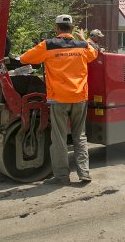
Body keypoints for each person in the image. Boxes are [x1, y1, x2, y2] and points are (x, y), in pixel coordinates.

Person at [20, 14, 98, 184]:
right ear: (72, 28)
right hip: (79, 98)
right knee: (80, 137)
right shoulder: (84, 46)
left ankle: (62, 176)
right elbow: (94, 55)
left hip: (59, 99)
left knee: (59, 139)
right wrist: (84, 38)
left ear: (57, 28)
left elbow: (25, 59)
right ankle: (84, 173)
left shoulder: (48, 45)